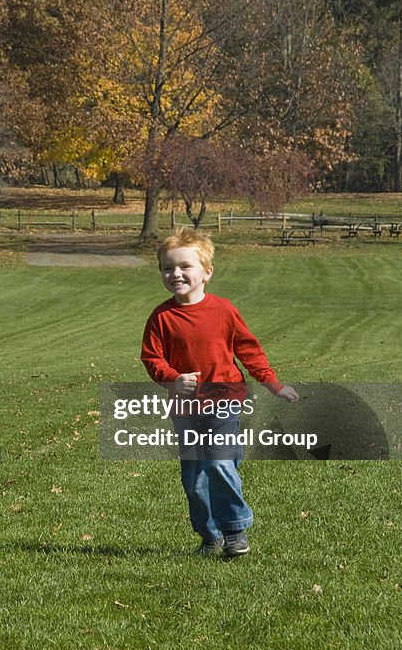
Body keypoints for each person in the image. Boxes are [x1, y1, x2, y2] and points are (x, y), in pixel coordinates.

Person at [140, 227, 297, 558]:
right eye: (168, 268)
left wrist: (274, 385)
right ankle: (209, 536)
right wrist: (172, 378)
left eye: (185, 266)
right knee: (194, 478)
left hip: (224, 401)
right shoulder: (161, 317)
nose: (176, 274)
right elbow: (151, 358)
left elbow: (249, 351)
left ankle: (235, 529)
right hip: (185, 408)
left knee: (220, 463)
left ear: (207, 272)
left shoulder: (224, 311)